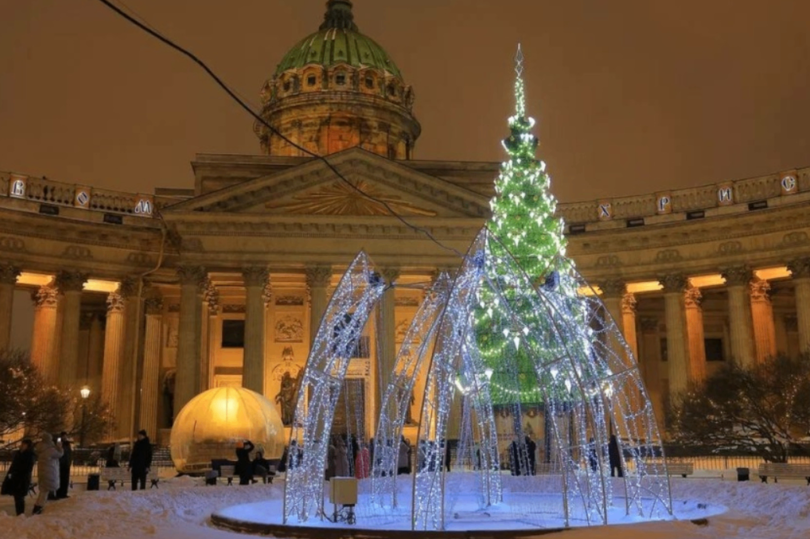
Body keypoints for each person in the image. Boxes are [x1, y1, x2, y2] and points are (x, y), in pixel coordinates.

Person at [3, 438, 35, 516]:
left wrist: (17, 472)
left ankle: (20, 513)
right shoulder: (19, 454)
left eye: (24, 444)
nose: (22, 446)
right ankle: (19, 513)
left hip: (22, 479)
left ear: (28, 446)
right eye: (22, 444)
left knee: (19, 496)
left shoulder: (29, 455)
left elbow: (27, 468)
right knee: (17, 496)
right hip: (16, 478)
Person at [33, 432, 63, 515]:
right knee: (44, 491)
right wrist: (59, 446)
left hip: (42, 472)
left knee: (43, 490)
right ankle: (38, 507)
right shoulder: (50, 450)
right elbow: (60, 454)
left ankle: (37, 506)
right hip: (49, 472)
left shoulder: (40, 448)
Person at [56, 432, 72, 499]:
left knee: (65, 479)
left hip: (66, 463)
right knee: (60, 478)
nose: (65, 437)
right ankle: (59, 493)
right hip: (61, 463)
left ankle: (64, 492)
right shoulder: (59, 442)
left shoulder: (67, 444)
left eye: (65, 436)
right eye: (64, 436)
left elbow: (69, 453)